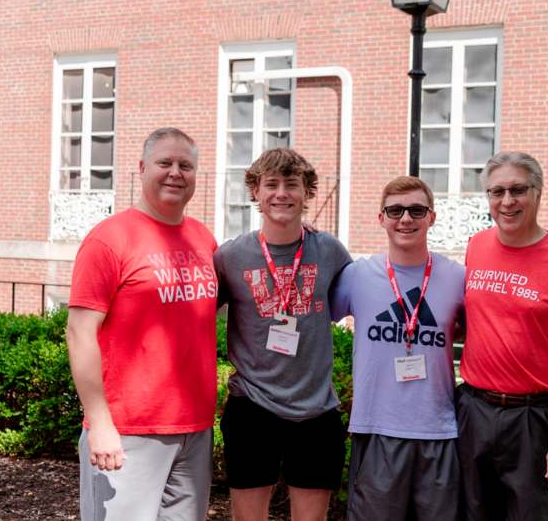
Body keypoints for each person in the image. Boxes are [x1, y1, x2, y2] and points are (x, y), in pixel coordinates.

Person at [66, 127, 218, 521]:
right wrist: (99, 422)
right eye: (164, 162)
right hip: (129, 429)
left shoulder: (203, 239)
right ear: (141, 168)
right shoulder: (109, 239)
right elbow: (79, 331)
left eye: (185, 165)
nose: (175, 172)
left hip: (194, 428)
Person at [457, 151, 548, 520]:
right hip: (474, 410)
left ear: (537, 193)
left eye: (518, 190)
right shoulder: (476, 246)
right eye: (496, 191)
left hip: (535, 420)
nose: (507, 201)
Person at [214, 148, 352, 521]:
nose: (281, 193)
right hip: (252, 407)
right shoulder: (230, 256)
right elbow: (192, 317)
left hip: (316, 411)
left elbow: (360, 305)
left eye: (292, 184)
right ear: (255, 192)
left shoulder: (330, 251)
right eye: (271, 184)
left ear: (307, 192)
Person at [330, 176, 465, 520]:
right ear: (381, 218)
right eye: (395, 210)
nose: (406, 219)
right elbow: (313, 317)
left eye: (416, 210)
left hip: (438, 430)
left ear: (431, 217)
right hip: (376, 429)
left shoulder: (456, 277)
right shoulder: (357, 275)